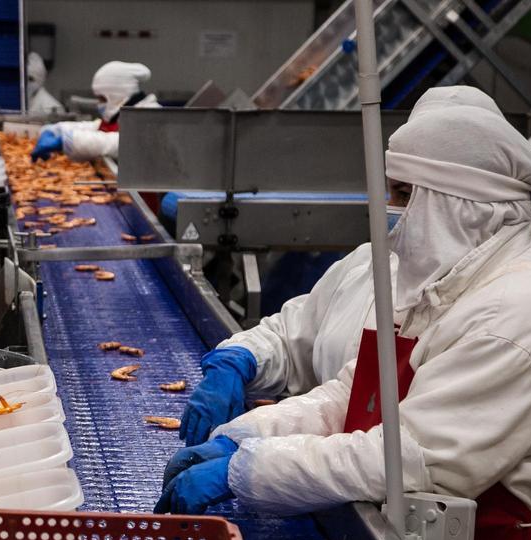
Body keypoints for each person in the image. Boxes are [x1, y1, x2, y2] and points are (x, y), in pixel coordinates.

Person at [158, 90, 531, 540]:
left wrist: (244, 472)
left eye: (402, 196)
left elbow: (409, 457)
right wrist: (241, 437)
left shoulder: (519, 312)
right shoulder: (435, 282)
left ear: (456, 204)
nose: (387, 212)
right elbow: (348, 400)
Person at [178, 85, 506, 446]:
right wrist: (243, 358)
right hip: (310, 471)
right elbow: (295, 336)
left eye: (410, 195)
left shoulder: (489, 306)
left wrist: (259, 459)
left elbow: (398, 448)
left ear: (461, 201)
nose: (396, 209)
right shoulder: (369, 263)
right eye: (396, 192)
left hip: (355, 483)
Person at [30, 61, 158, 162]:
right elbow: (97, 128)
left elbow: (121, 143)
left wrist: (67, 141)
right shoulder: (123, 113)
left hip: (144, 194)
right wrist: (57, 130)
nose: (99, 104)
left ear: (116, 95)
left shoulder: (150, 116)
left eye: (102, 98)